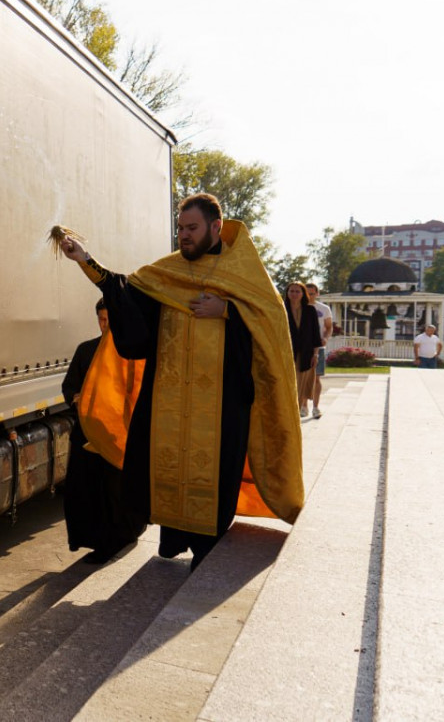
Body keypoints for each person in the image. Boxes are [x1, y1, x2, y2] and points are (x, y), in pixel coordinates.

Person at [58, 193, 304, 570]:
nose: (184, 236)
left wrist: (228, 311)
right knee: (167, 468)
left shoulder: (244, 272)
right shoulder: (166, 272)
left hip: (223, 404)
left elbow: (270, 328)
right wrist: (85, 261)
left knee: (214, 473)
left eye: (191, 228)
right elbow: (124, 293)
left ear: (215, 227)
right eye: (180, 229)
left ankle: (207, 545)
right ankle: (174, 539)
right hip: (168, 401)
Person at [62, 299, 147, 564]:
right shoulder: (86, 350)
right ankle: (96, 540)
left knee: (115, 492)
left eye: (110, 320)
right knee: (87, 490)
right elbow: (70, 386)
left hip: (120, 436)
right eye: (101, 320)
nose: (106, 325)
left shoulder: (132, 351)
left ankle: (120, 537)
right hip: (89, 433)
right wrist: (76, 397)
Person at [285, 282, 322, 418]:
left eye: (297, 291)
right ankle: (290, 413)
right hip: (287, 354)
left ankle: (296, 412)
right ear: (287, 293)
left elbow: (315, 334)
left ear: (303, 294)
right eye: (291, 291)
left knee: (301, 384)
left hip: (306, 354)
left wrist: (316, 354)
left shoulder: (310, 310)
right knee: (290, 384)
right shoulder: (281, 309)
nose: (294, 294)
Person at [305, 283, 333, 417]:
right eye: (306, 293)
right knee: (303, 378)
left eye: (312, 293)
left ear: (317, 294)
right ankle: (303, 406)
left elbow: (329, 327)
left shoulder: (324, 309)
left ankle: (315, 407)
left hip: (319, 348)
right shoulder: (299, 307)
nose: (309, 296)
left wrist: (326, 338)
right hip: (303, 347)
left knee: (316, 378)